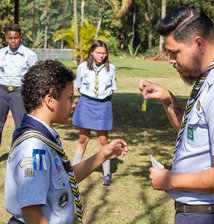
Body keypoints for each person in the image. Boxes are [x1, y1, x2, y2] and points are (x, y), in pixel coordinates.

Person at [138, 4, 214, 224]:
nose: (171, 60)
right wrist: (169, 100)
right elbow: (199, 136)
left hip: (210, 216)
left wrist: (170, 180)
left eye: (175, 52)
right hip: (208, 212)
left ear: (198, 44)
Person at [5, 60, 128, 224]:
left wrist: (103, 154)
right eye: (70, 98)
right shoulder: (34, 147)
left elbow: (66, 178)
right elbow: (32, 214)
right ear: (50, 100)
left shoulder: (45, 138)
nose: (74, 104)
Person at [72, 40, 117, 186]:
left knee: (103, 140)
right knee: (83, 139)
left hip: (103, 105)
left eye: (104, 53)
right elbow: (78, 87)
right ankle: (73, 171)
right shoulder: (82, 68)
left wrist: (101, 101)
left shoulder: (111, 69)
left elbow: (112, 90)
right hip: (86, 103)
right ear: (92, 52)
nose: (102, 56)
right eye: (99, 52)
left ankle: (107, 174)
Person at [0, 24, 38, 146]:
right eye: (10, 38)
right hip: (1, 92)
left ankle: (17, 154)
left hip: (19, 93)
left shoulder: (29, 55)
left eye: (16, 38)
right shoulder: (1, 53)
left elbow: (34, 77)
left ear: (20, 38)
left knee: (21, 125)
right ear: (6, 38)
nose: (13, 41)